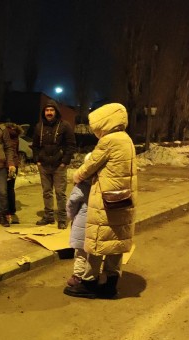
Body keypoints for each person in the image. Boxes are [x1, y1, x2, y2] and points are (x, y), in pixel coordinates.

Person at [64, 103, 137, 299]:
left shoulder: (109, 141)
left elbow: (90, 166)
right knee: (115, 241)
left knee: (97, 242)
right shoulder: (126, 139)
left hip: (105, 200)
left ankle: (88, 283)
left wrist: (77, 176)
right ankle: (111, 284)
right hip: (123, 198)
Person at [32, 99, 75, 229]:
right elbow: (35, 146)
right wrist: (37, 160)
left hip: (58, 165)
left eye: (51, 110)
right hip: (44, 165)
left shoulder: (65, 125)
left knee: (60, 193)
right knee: (47, 192)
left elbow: (71, 145)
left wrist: (64, 162)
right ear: (43, 112)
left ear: (56, 112)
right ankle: (48, 216)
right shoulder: (39, 127)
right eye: (47, 110)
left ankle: (62, 218)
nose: (49, 112)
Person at [64, 153, 92, 287]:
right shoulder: (101, 183)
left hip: (82, 222)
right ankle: (91, 275)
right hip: (95, 222)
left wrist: (71, 216)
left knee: (80, 252)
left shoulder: (82, 185)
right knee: (92, 253)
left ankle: (77, 277)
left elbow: (72, 203)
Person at [3, 122, 24, 224]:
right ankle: (12, 209)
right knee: (10, 188)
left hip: (5, 164)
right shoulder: (16, 135)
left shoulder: (5, 134)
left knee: (3, 188)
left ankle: (4, 210)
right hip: (14, 164)